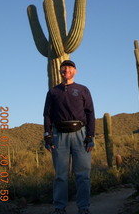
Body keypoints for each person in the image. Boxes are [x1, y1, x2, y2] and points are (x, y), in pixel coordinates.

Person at [43, 60, 95, 214]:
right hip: (59, 136)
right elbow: (47, 115)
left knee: (83, 174)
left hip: (81, 134)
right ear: (60, 71)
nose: (66, 70)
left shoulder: (83, 90)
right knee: (60, 175)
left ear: (75, 71)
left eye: (70, 67)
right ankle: (59, 208)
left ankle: (83, 208)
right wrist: (47, 136)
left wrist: (90, 136)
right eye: (63, 67)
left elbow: (90, 113)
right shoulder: (53, 92)